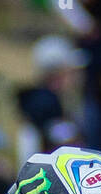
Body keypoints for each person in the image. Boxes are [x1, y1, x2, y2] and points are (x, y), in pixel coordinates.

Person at [16, 35, 85, 164]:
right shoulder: (44, 104)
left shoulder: (47, 100)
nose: (75, 76)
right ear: (56, 73)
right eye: (69, 71)